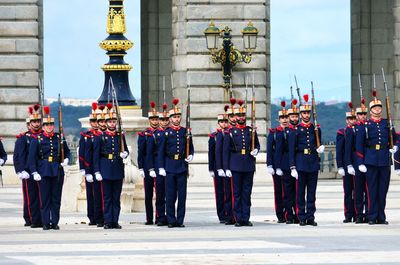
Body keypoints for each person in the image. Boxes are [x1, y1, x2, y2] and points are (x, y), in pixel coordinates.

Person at [355, 90, 397, 225]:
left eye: (379, 107)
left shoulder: (386, 123)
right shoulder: (366, 125)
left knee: (383, 190)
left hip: (384, 159)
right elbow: (359, 145)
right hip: (371, 160)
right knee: (372, 190)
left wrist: (394, 146)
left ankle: (381, 216)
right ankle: (372, 216)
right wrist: (361, 161)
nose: (377, 109)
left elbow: (395, 138)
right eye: (375, 108)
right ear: (371, 110)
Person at [28, 106, 70, 230]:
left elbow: (67, 152)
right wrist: (34, 171)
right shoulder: (38, 140)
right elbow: (32, 158)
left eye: (51, 124)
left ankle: (55, 222)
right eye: (47, 125)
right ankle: (46, 222)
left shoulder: (59, 138)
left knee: (56, 199)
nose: (49, 127)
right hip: (44, 171)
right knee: (45, 199)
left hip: (57, 170)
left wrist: (66, 159)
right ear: (43, 126)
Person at [288, 94, 324, 226]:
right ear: (300, 114)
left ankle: (310, 216)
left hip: (313, 162)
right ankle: (301, 216)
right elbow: (291, 150)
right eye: (304, 113)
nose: (306, 115)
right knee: (300, 192)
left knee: (312, 192)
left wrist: (319, 148)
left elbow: (318, 143)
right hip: (301, 162)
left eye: (308, 113)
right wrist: (292, 167)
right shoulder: (295, 130)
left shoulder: (315, 129)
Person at [223, 99, 260, 227]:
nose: (241, 117)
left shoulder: (251, 131)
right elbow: (226, 151)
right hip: (236, 164)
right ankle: (238, 218)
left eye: (243, 115)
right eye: (239, 115)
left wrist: (256, 150)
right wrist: (227, 168)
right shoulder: (230, 132)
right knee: (237, 193)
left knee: (247, 193)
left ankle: (246, 217)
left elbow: (257, 145)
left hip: (248, 164)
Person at [157, 98, 194, 228]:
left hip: (182, 166)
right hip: (170, 165)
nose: (177, 119)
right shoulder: (166, 133)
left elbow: (191, 147)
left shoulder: (185, 132)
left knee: (182, 196)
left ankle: (180, 220)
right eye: (174, 117)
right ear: (170, 119)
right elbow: (161, 152)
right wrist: (161, 167)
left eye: (178, 117)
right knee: (170, 195)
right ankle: (171, 220)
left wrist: (190, 156)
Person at [93, 104, 129, 229]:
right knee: (107, 198)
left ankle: (115, 220)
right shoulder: (101, 137)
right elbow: (96, 155)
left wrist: (125, 154)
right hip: (105, 168)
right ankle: (108, 221)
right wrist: (97, 171)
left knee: (116, 197)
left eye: (114, 121)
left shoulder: (120, 136)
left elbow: (126, 150)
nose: (112, 124)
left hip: (118, 169)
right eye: (110, 121)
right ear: (106, 123)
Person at [13, 105, 42, 228]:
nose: (36, 124)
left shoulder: (43, 136)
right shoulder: (23, 138)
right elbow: (18, 156)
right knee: (31, 197)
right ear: (28, 124)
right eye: (33, 122)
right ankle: (31, 218)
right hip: (28, 171)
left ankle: (40, 218)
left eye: (37, 122)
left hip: (41, 170)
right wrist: (20, 170)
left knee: (42, 197)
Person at [79, 102, 104, 227]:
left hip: (100, 168)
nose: (95, 123)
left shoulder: (102, 135)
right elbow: (82, 154)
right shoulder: (85, 136)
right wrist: (84, 169)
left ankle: (101, 216)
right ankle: (92, 217)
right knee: (91, 194)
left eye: (97, 121)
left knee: (101, 194)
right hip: (90, 168)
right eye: (93, 121)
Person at [345, 98, 369, 223]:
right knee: (358, 190)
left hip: (370, 160)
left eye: (364, 114)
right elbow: (348, 149)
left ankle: (369, 213)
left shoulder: (370, 126)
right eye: (360, 114)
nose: (362, 116)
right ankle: (359, 214)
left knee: (369, 190)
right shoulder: (350, 130)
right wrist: (349, 164)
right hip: (356, 162)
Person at [137, 102, 159, 225]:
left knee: (160, 193)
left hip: (159, 166)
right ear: (150, 120)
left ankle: (159, 216)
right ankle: (149, 218)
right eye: (153, 119)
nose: (155, 122)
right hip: (147, 166)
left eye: (156, 119)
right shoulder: (144, 135)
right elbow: (141, 151)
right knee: (148, 194)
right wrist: (141, 167)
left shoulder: (162, 133)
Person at [267, 101, 288, 223]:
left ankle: (288, 213)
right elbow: (270, 150)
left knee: (289, 191)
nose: (284, 120)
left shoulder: (292, 131)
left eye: (286, 117)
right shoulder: (274, 133)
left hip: (289, 165)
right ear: (278, 119)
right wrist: (269, 164)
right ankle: (280, 214)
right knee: (279, 191)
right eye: (282, 118)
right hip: (277, 165)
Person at [208, 107, 229, 224]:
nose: (224, 124)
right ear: (218, 123)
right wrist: (211, 168)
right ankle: (221, 214)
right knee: (219, 191)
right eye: (222, 122)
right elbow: (211, 153)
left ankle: (228, 213)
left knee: (228, 191)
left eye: (226, 122)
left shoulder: (230, 134)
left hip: (228, 166)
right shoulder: (214, 136)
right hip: (217, 166)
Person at [336, 103, 356, 223]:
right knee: (348, 191)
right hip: (346, 164)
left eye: (353, 118)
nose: (352, 121)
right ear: (346, 120)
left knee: (359, 191)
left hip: (358, 164)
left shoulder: (360, 130)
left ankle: (359, 213)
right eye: (349, 119)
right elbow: (339, 150)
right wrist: (340, 166)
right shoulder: (342, 132)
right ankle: (348, 214)